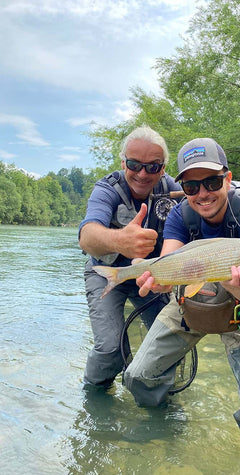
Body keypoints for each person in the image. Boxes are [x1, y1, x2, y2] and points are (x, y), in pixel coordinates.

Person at [124, 137, 240, 450]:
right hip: (190, 304)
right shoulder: (180, 215)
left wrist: (236, 284)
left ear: (226, 177)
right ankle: (166, 426)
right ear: (183, 189)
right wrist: (154, 277)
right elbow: (168, 270)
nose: (202, 194)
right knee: (138, 377)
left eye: (210, 182)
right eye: (191, 187)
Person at [79, 125, 182, 390]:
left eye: (153, 167)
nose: (142, 173)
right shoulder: (107, 189)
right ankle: (95, 393)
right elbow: (87, 237)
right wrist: (120, 241)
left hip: (151, 278)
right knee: (110, 347)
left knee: (167, 341)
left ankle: (160, 399)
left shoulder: (172, 189)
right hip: (105, 273)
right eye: (134, 164)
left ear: (163, 167)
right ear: (123, 161)